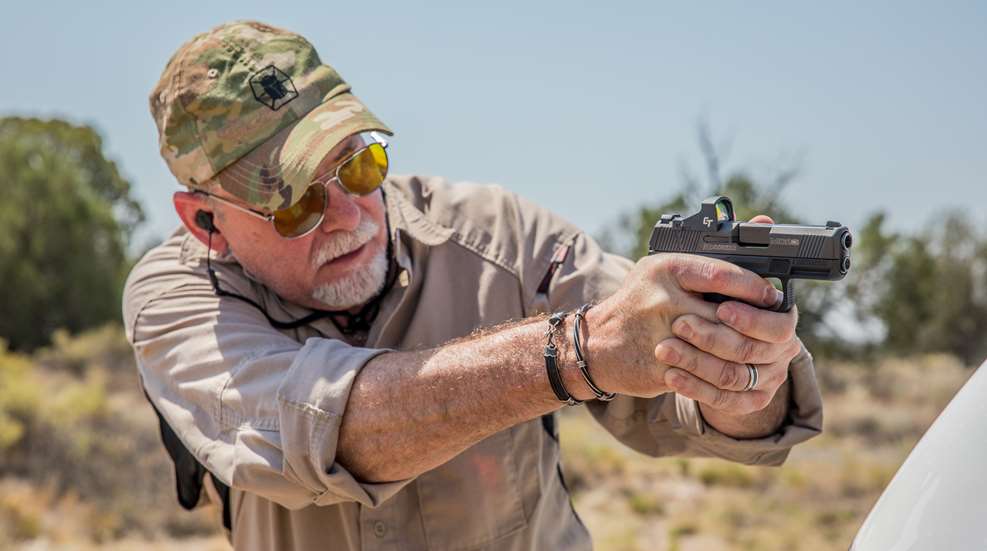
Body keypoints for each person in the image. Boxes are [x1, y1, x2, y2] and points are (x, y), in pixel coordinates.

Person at [124, 20, 823, 551]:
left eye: (359, 165)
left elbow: (682, 405)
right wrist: (573, 354)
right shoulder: (176, 302)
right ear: (205, 220)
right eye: (293, 203)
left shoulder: (496, 232)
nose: (345, 215)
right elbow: (323, 427)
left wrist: (739, 375)